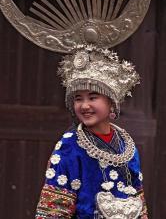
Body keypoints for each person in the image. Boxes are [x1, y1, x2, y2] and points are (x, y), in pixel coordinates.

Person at [35, 45, 148, 219]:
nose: (84, 105)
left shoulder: (127, 145)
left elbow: (139, 201)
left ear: (111, 102)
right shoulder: (69, 146)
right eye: (78, 99)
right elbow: (54, 210)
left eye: (93, 97)